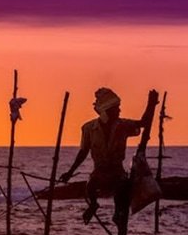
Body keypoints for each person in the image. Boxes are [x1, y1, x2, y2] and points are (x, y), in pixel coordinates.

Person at [60, 88, 159, 224]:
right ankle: (93, 205)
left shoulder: (122, 125)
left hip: (117, 171)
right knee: (90, 187)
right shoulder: (89, 128)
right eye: (116, 108)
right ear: (107, 110)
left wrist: (151, 105)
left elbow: (143, 123)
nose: (119, 111)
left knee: (121, 189)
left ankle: (117, 212)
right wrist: (70, 173)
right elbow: (83, 152)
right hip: (99, 171)